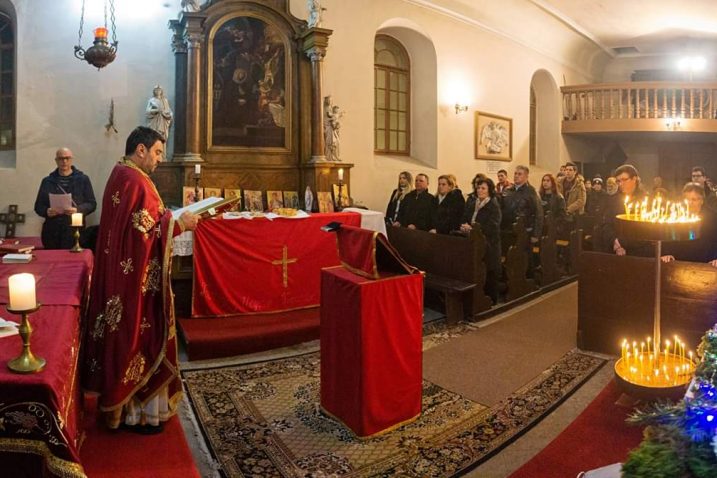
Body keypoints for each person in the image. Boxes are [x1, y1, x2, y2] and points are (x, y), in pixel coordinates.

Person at [82, 126, 199, 433]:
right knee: (139, 336)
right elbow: (145, 233)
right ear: (141, 150)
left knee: (123, 336)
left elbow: (137, 226)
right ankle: (140, 413)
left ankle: (124, 410)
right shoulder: (137, 180)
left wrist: (167, 219)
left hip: (121, 276)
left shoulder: (121, 172)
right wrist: (181, 224)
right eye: (158, 152)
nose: (160, 159)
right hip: (136, 284)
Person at [34, 148, 96, 249]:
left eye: (67, 158)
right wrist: (47, 211)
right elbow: (38, 206)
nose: (64, 161)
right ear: (56, 160)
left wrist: (77, 210)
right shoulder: (47, 181)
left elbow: (92, 204)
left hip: (74, 230)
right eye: (61, 158)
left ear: (71, 160)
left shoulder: (83, 179)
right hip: (52, 231)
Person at [460, 177, 502, 304]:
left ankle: (490, 299)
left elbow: (493, 226)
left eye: (483, 188)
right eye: (478, 188)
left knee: (488, 271)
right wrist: (463, 225)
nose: (480, 190)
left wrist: (473, 228)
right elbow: (465, 217)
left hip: (489, 244)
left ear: (489, 190)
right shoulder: (473, 203)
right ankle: (475, 297)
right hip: (473, 242)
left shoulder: (493, 205)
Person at [661, 183, 717, 266]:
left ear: (701, 201)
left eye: (694, 200)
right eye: (687, 199)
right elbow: (669, 238)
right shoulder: (676, 216)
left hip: (706, 262)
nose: (690, 203)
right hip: (679, 261)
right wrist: (667, 253)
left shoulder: (713, 218)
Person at [601, 164, 648, 256]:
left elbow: (646, 230)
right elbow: (606, 224)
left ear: (634, 179)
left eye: (624, 180)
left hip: (640, 249)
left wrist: (624, 243)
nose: (620, 184)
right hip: (614, 247)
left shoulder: (645, 201)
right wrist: (615, 242)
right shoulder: (612, 200)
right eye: (618, 181)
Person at [501, 165, 543, 244]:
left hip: (524, 230)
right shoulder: (508, 190)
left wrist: (536, 234)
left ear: (526, 176)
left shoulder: (531, 192)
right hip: (508, 229)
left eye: (519, 174)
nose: (516, 176)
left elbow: (539, 213)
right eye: (515, 173)